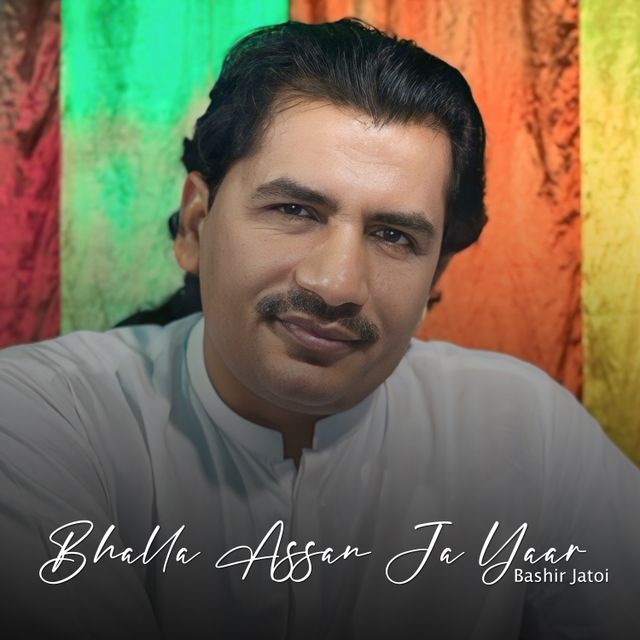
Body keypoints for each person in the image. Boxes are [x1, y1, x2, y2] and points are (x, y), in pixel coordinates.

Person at [0, 18, 638, 640]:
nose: (336, 284)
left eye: (393, 235)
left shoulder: (530, 433)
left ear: (435, 277)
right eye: (295, 209)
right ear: (196, 225)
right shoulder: (42, 416)